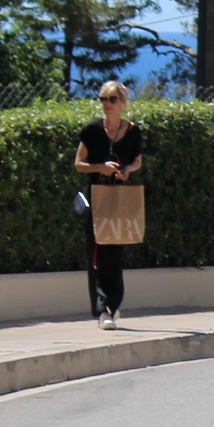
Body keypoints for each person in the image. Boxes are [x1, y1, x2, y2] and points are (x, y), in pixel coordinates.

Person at [74, 80, 142, 327]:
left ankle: (111, 307)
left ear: (123, 102)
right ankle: (102, 309)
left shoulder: (132, 132)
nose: (107, 104)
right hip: (95, 196)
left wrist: (127, 170)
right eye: (103, 99)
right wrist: (100, 167)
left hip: (118, 196)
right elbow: (78, 163)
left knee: (115, 251)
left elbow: (137, 160)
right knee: (96, 252)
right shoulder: (92, 130)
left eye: (112, 99)